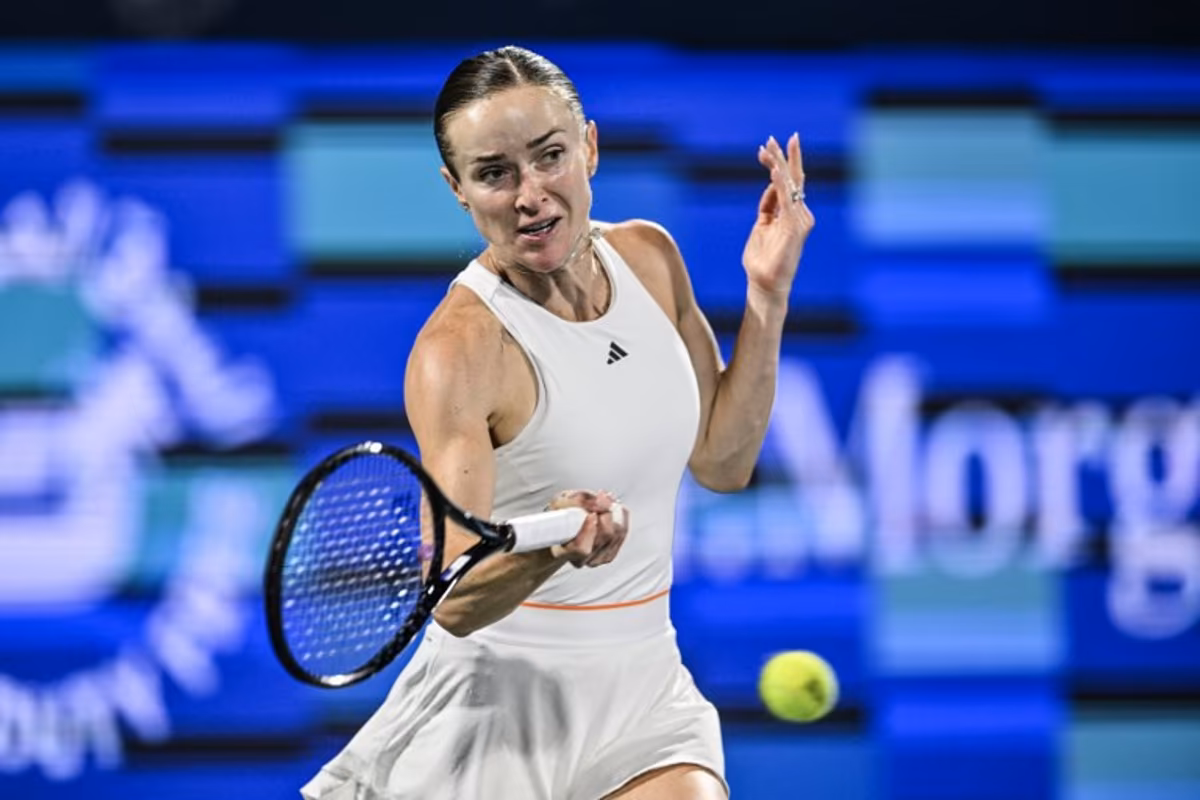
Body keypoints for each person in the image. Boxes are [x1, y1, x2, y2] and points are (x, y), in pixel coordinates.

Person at [301, 45, 813, 800]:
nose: (530, 195)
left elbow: (722, 462)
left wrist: (766, 301)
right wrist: (552, 546)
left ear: (590, 148)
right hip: (496, 714)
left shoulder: (650, 258)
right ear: (458, 190)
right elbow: (454, 601)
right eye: (494, 173)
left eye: (549, 158)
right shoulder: (459, 352)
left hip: (644, 689)